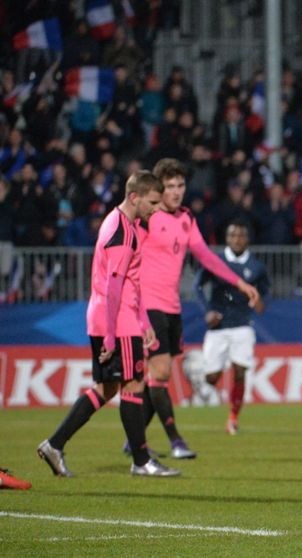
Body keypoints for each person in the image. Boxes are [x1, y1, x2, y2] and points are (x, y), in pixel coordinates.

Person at [37, 170, 180, 477]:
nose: (156, 209)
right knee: (134, 385)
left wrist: (143, 319)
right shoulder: (123, 234)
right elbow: (115, 286)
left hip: (112, 315)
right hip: (117, 319)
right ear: (134, 197)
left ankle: (54, 444)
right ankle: (141, 461)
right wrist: (114, 336)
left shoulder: (117, 222)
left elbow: (129, 282)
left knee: (107, 388)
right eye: (153, 202)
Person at [131, 158, 259, 459]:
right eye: (170, 186)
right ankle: (175, 441)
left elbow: (207, 257)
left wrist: (239, 283)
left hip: (172, 306)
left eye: (181, 185)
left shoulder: (186, 219)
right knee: (160, 372)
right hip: (149, 305)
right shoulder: (146, 219)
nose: (176, 192)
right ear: (159, 189)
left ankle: (133, 439)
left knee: (157, 376)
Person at [192, 221, 269, 434]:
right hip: (217, 326)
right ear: (227, 239)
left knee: (240, 371)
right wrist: (207, 310)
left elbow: (264, 293)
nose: (237, 239)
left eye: (241, 236)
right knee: (211, 378)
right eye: (233, 236)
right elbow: (196, 286)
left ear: (247, 239)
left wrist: (261, 303)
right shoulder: (215, 261)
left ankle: (233, 418)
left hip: (242, 325)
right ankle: (206, 373)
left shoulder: (256, 267)